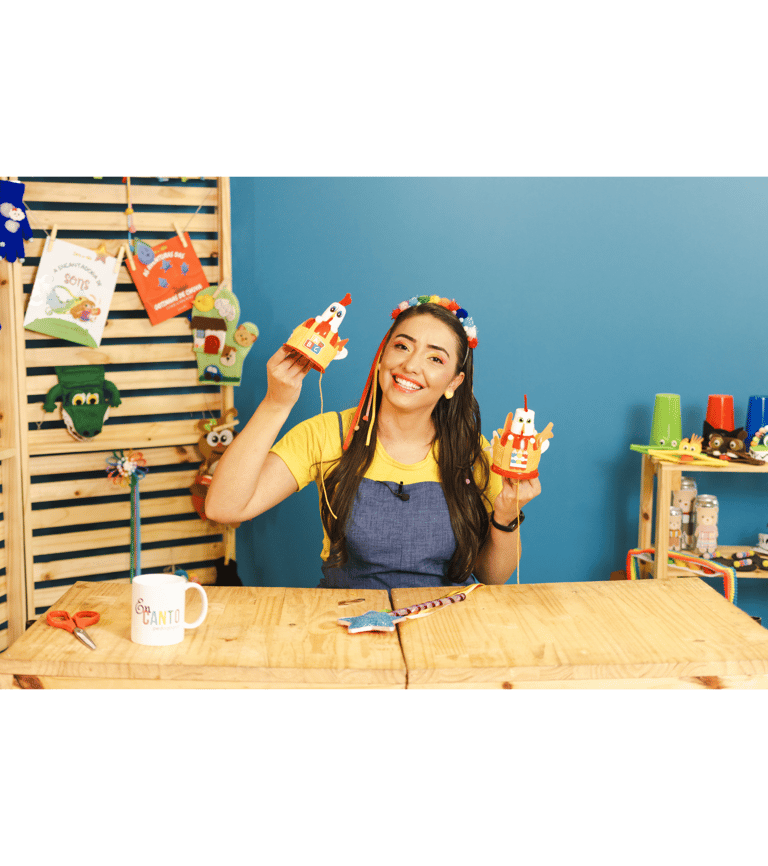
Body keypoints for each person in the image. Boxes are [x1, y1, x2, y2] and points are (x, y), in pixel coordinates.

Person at [205, 296, 542, 590]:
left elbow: (493, 577)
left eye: (435, 358)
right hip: (346, 620)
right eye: (402, 346)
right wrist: (276, 404)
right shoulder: (327, 434)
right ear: (381, 356)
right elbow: (223, 507)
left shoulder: (474, 452)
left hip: (445, 628)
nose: (411, 365)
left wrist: (505, 516)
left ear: (454, 382)